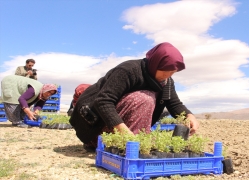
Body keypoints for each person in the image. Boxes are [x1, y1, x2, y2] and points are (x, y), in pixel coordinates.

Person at [69, 42, 200, 151]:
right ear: (155, 63)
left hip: (117, 131)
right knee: (144, 98)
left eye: (172, 72)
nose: (168, 75)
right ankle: (130, 145)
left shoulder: (166, 82)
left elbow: (174, 104)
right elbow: (103, 101)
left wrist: (189, 115)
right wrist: (125, 133)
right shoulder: (129, 71)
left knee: (148, 99)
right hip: (94, 126)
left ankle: (133, 144)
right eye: (165, 70)